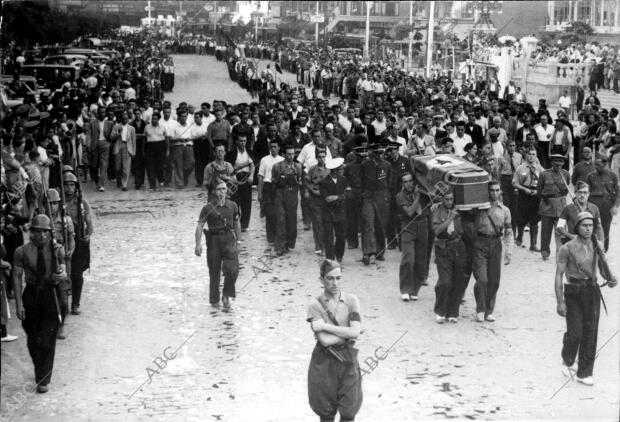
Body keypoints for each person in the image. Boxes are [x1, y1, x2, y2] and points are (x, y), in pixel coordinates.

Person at [555, 211, 617, 386]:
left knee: (590, 334)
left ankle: (584, 372)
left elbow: (603, 269)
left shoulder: (596, 245)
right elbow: (559, 275)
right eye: (585, 225)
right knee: (575, 333)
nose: (589, 229)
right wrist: (560, 301)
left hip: (592, 291)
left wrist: (611, 278)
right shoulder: (566, 248)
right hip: (573, 291)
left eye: (591, 226)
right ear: (577, 227)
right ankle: (567, 359)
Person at [12, 214, 67, 393]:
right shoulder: (22, 251)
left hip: (51, 295)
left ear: (50, 233)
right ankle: (40, 369)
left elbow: (64, 269)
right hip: (32, 296)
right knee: (33, 339)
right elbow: (17, 278)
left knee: (47, 340)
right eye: (37, 232)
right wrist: (19, 304)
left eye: (45, 232)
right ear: (31, 232)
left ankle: (43, 378)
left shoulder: (57, 249)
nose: (41, 236)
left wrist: (61, 274)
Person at [307, 259, 362, 422]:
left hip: (347, 359)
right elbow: (324, 340)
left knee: (349, 411)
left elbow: (355, 332)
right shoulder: (315, 305)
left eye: (338, 278)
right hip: (324, 361)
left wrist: (325, 325)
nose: (335, 283)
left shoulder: (352, 301)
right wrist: (350, 332)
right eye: (330, 278)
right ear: (321, 280)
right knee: (326, 412)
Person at [194, 181, 240, 310]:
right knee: (214, 271)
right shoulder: (207, 208)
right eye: (219, 189)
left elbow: (237, 223)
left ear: (227, 191)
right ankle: (214, 299)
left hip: (229, 239)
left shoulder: (232, 206)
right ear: (214, 191)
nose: (222, 192)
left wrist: (239, 241)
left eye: (224, 189)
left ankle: (226, 294)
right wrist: (198, 244)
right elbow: (200, 225)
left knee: (233, 270)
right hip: (213, 240)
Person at [472, 180, 512, 322]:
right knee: (482, 279)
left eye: (497, 190)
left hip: (496, 244)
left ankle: (489, 311)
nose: (494, 193)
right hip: (480, 243)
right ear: (487, 192)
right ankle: (480, 309)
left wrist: (509, 251)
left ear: (500, 191)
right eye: (491, 190)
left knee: (494, 280)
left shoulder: (505, 210)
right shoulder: (479, 207)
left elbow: (508, 231)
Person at [432, 188, 467, 323]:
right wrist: (450, 218)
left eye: (451, 199)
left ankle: (453, 312)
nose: (449, 202)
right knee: (445, 281)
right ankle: (440, 311)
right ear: (442, 199)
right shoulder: (437, 211)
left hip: (458, 247)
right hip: (443, 248)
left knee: (458, 281)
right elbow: (437, 230)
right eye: (446, 199)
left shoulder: (459, 210)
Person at [62, 170, 93, 316]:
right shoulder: (57, 202)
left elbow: (89, 222)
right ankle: (62, 304)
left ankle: (75, 304)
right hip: (63, 242)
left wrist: (87, 235)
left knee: (77, 274)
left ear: (76, 187)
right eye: (66, 185)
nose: (69, 188)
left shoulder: (82, 203)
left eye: (71, 185)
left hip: (78, 242)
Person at [47, 188, 75, 340]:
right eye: (49, 203)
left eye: (55, 203)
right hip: (46, 260)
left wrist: (70, 250)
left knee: (63, 297)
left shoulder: (66, 220)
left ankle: (61, 325)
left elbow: (71, 237)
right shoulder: (41, 219)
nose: (52, 207)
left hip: (62, 259)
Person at [396, 172, 429, 301]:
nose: (408, 184)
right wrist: (417, 197)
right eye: (405, 182)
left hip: (422, 226)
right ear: (402, 184)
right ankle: (405, 289)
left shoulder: (421, 191)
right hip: (408, 227)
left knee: (421, 261)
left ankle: (415, 289)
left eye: (410, 181)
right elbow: (409, 212)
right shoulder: (400, 196)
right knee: (408, 259)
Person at [360, 143, 391, 265]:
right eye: (375, 152)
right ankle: (368, 252)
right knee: (369, 223)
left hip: (381, 196)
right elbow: (361, 180)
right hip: (368, 196)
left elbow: (389, 181)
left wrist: (386, 195)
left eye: (380, 152)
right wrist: (363, 194)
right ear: (370, 153)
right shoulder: (365, 165)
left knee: (381, 225)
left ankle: (380, 252)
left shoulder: (387, 165)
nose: (377, 155)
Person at [537, 154, 570, 260]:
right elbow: (539, 190)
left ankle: (560, 254)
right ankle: (545, 253)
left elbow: (566, 191)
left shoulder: (566, 174)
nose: (558, 167)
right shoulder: (544, 174)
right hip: (547, 206)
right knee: (546, 232)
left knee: (561, 231)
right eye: (556, 165)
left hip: (561, 207)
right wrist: (545, 198)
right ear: (552, 163)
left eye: (560, 165)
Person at [272, 144, 303, 256]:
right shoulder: (277, 166)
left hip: (292, 194)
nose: (290, 156)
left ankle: (288, 243)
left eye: (292, 154)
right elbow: (274, 181)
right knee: (280, 220)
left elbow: (300, 181)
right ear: (283, 154)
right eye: (288, 154)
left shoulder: (298, 166)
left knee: (291, 220)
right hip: (280, 194)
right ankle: (280, 246)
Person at [586, 155, 619, 252]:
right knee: (592, 227)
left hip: (607, 206)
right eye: (594, 165)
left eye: (598, 165)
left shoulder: (612, 175)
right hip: (593, 205)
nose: (595, 167)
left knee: (605, 228)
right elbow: (586, 191)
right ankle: (592, 249)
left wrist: (615, 206)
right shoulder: (590, 176)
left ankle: (604, 250)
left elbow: (618, 192)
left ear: (605, 164)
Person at [557, 181, 605, 245]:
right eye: (580, 192)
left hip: (590, 243)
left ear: (588, 194)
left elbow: (599, 227)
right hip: (573, 243)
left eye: (585, 193)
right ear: (575, 193)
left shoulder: (594, 208)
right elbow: (559, 227)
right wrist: (571, 236)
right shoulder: (567, 208)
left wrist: (601, 243)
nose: (582, 195)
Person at [225, 130, 255, 232]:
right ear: (237, 142)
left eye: (245, 141)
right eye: (241, 141)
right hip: (235, 178)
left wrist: (251, 176)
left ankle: (244, 225)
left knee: (246, 202)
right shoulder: (231, 153)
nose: (243, 143)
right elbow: (230, 167)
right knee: (234, 201)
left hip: (246, 178)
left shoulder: (249, 152)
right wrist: (234, 175)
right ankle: (235, 223)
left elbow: (253, 166)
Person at [320, 157, 349, 262]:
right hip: (328, 212)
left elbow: (348, 194)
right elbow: (327, 199)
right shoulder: (323, 182)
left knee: (341, 236)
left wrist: (337, 197)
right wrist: (341, 196)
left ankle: (339, 255)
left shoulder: (344, 180)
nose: (342, 170)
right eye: (341, 169)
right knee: (328, 237)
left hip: (340, 212)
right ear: (335, 170)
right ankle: (330, 259)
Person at [258, 139, 284, 245]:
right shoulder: (264, 160)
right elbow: (260, 176)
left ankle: (279, 235)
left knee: (278, 212)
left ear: (278, 148)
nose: (273, 149)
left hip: (278, 187)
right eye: (271, 146)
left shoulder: (282, 160)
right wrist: (260, 193)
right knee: (269, 213)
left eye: (275, 146)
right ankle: (270, 237)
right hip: (268, 187)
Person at [306, 147, 330, 255]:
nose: (322, 159)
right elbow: (306, 182)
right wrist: (312, 191)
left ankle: (326, 244)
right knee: (317, 223)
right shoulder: (312, 169)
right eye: (320, 157)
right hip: (315, 199)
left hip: (327, 200)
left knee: (327, 223)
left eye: (323, 156)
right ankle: (319, 246)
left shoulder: (330, 169)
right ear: (316, 158)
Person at [110, 110, 136, 191]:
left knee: (126, 167)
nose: (125, 120)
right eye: (123, 119)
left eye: (126, 119)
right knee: (117, 168)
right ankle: (119, 180)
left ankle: (124, 184)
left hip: (127, 147)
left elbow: (133, 141)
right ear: (121, 119)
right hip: (118, 147)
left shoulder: (131, 128)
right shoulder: (116, 126)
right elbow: (111, 137)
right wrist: (118, 133)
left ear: (128, 119)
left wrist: (133, 151)